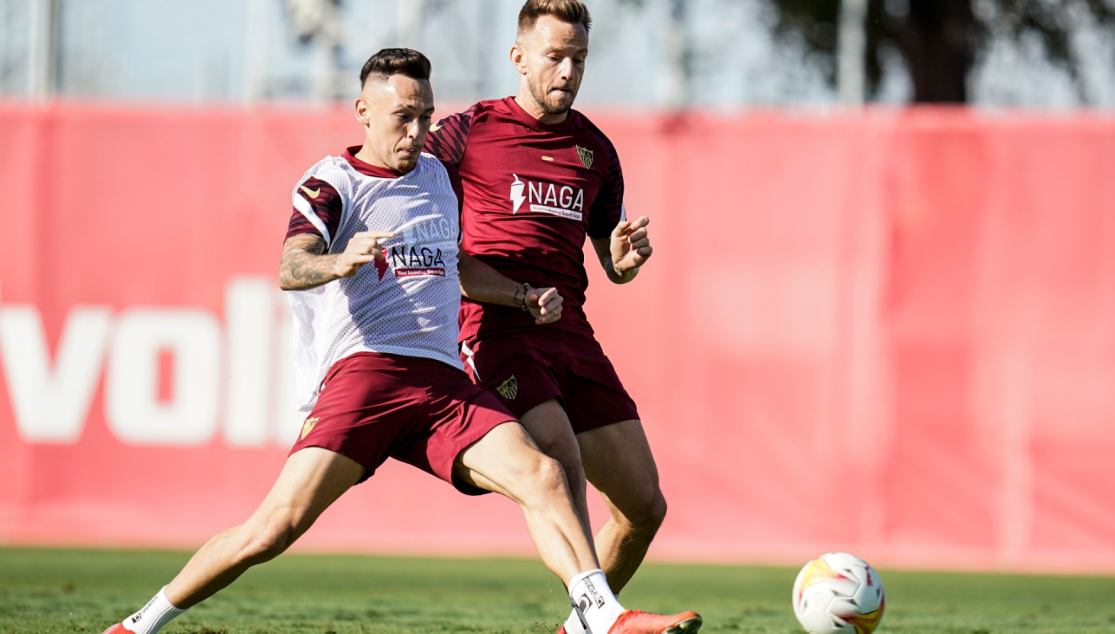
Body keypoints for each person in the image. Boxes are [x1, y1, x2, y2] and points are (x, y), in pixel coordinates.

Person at [98, 49, 699, 634]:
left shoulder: (438, 177)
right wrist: (337, 262)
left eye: (425, 116)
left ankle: (599, 617)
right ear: (362, 110)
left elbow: (457, 263)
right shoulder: (332, 182)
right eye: (401, 117)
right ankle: (139, 625)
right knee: (272, 529)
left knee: (543, 474)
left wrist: (519, 296)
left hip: (440, 383)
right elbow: (290, 266)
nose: (416, 132)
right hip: (366, 378)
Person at [422, 4, 667, 634]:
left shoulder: (596, 150)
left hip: (569, 330)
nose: (567, 70)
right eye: (555, 55)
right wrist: (514, 294)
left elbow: (611, 259)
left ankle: (581, 625)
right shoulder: (462, 134)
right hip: (493, 327)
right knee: (556, 456)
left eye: (579, 58)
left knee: (643, 506)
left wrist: (622, 259)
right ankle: (606, 617)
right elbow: (425, 230)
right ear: (519, 57)